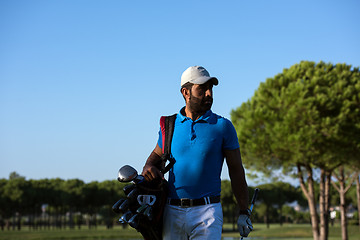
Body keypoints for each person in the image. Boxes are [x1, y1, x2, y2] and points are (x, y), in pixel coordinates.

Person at [142, 66, 252, 240]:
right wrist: (148, 166)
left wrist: (244, 210)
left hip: (208, 212)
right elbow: (154, 157)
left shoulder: (223, 126)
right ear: (186, 92)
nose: (209, 94)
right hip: (172, 211)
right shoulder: (169, 125)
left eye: (211, 88)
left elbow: (236, 170)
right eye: (202, 89)